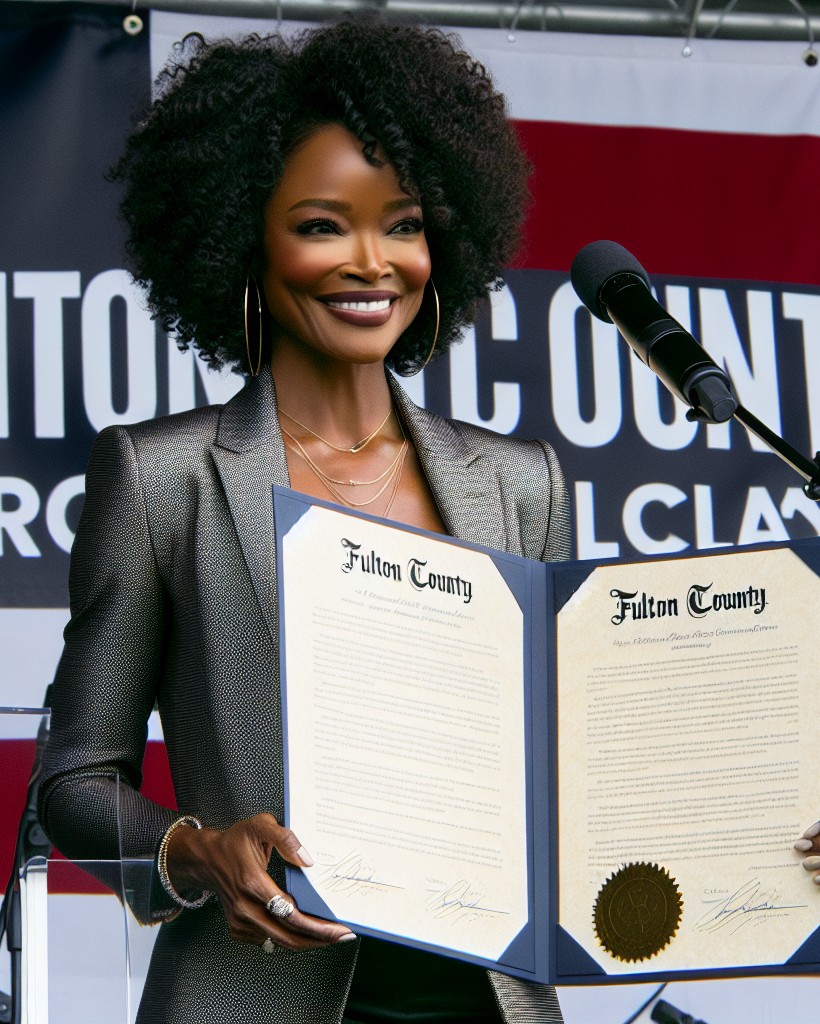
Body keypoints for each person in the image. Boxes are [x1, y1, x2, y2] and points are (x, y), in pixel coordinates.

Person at [38, 21, 570, 1024]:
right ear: (246, 233)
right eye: (324, 224)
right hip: (248, 995)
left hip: (487, 1002)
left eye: (403, 224)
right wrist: (196, 850)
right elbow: (73, 781)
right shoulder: (160, 479)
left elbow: (567, 776)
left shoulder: (520, 484)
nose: (373, 263)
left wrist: (767, 836)